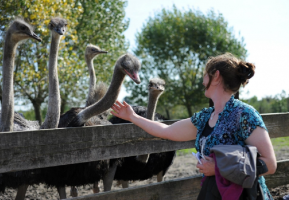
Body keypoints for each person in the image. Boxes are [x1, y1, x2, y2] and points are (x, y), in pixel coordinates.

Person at [110, 53, 277, 200]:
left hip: (244, 195)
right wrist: (132, 117)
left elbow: (270, 164)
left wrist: (219, 168)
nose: (203, 80)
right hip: (213, 192)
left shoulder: (245, 114)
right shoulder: (205, 117)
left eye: (205, 74)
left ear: (216, 76)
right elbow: (166, 131)